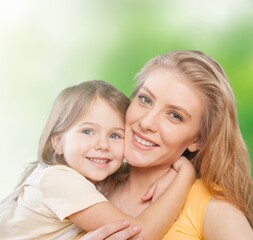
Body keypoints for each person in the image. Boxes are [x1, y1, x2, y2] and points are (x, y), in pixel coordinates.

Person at [85, 50, 253, 239]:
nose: (146, 123)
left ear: (197, 139)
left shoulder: (211, 207)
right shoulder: (86, 184)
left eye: (175, 116)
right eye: (145, 100)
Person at [0, 80, 195, 239]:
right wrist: (185, 175)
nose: (103, 145)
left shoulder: (86, 178)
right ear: (58, 142)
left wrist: (168, 174)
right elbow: (138, 234)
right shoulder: (59, 180)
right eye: (87, 131)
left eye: (115, 135)